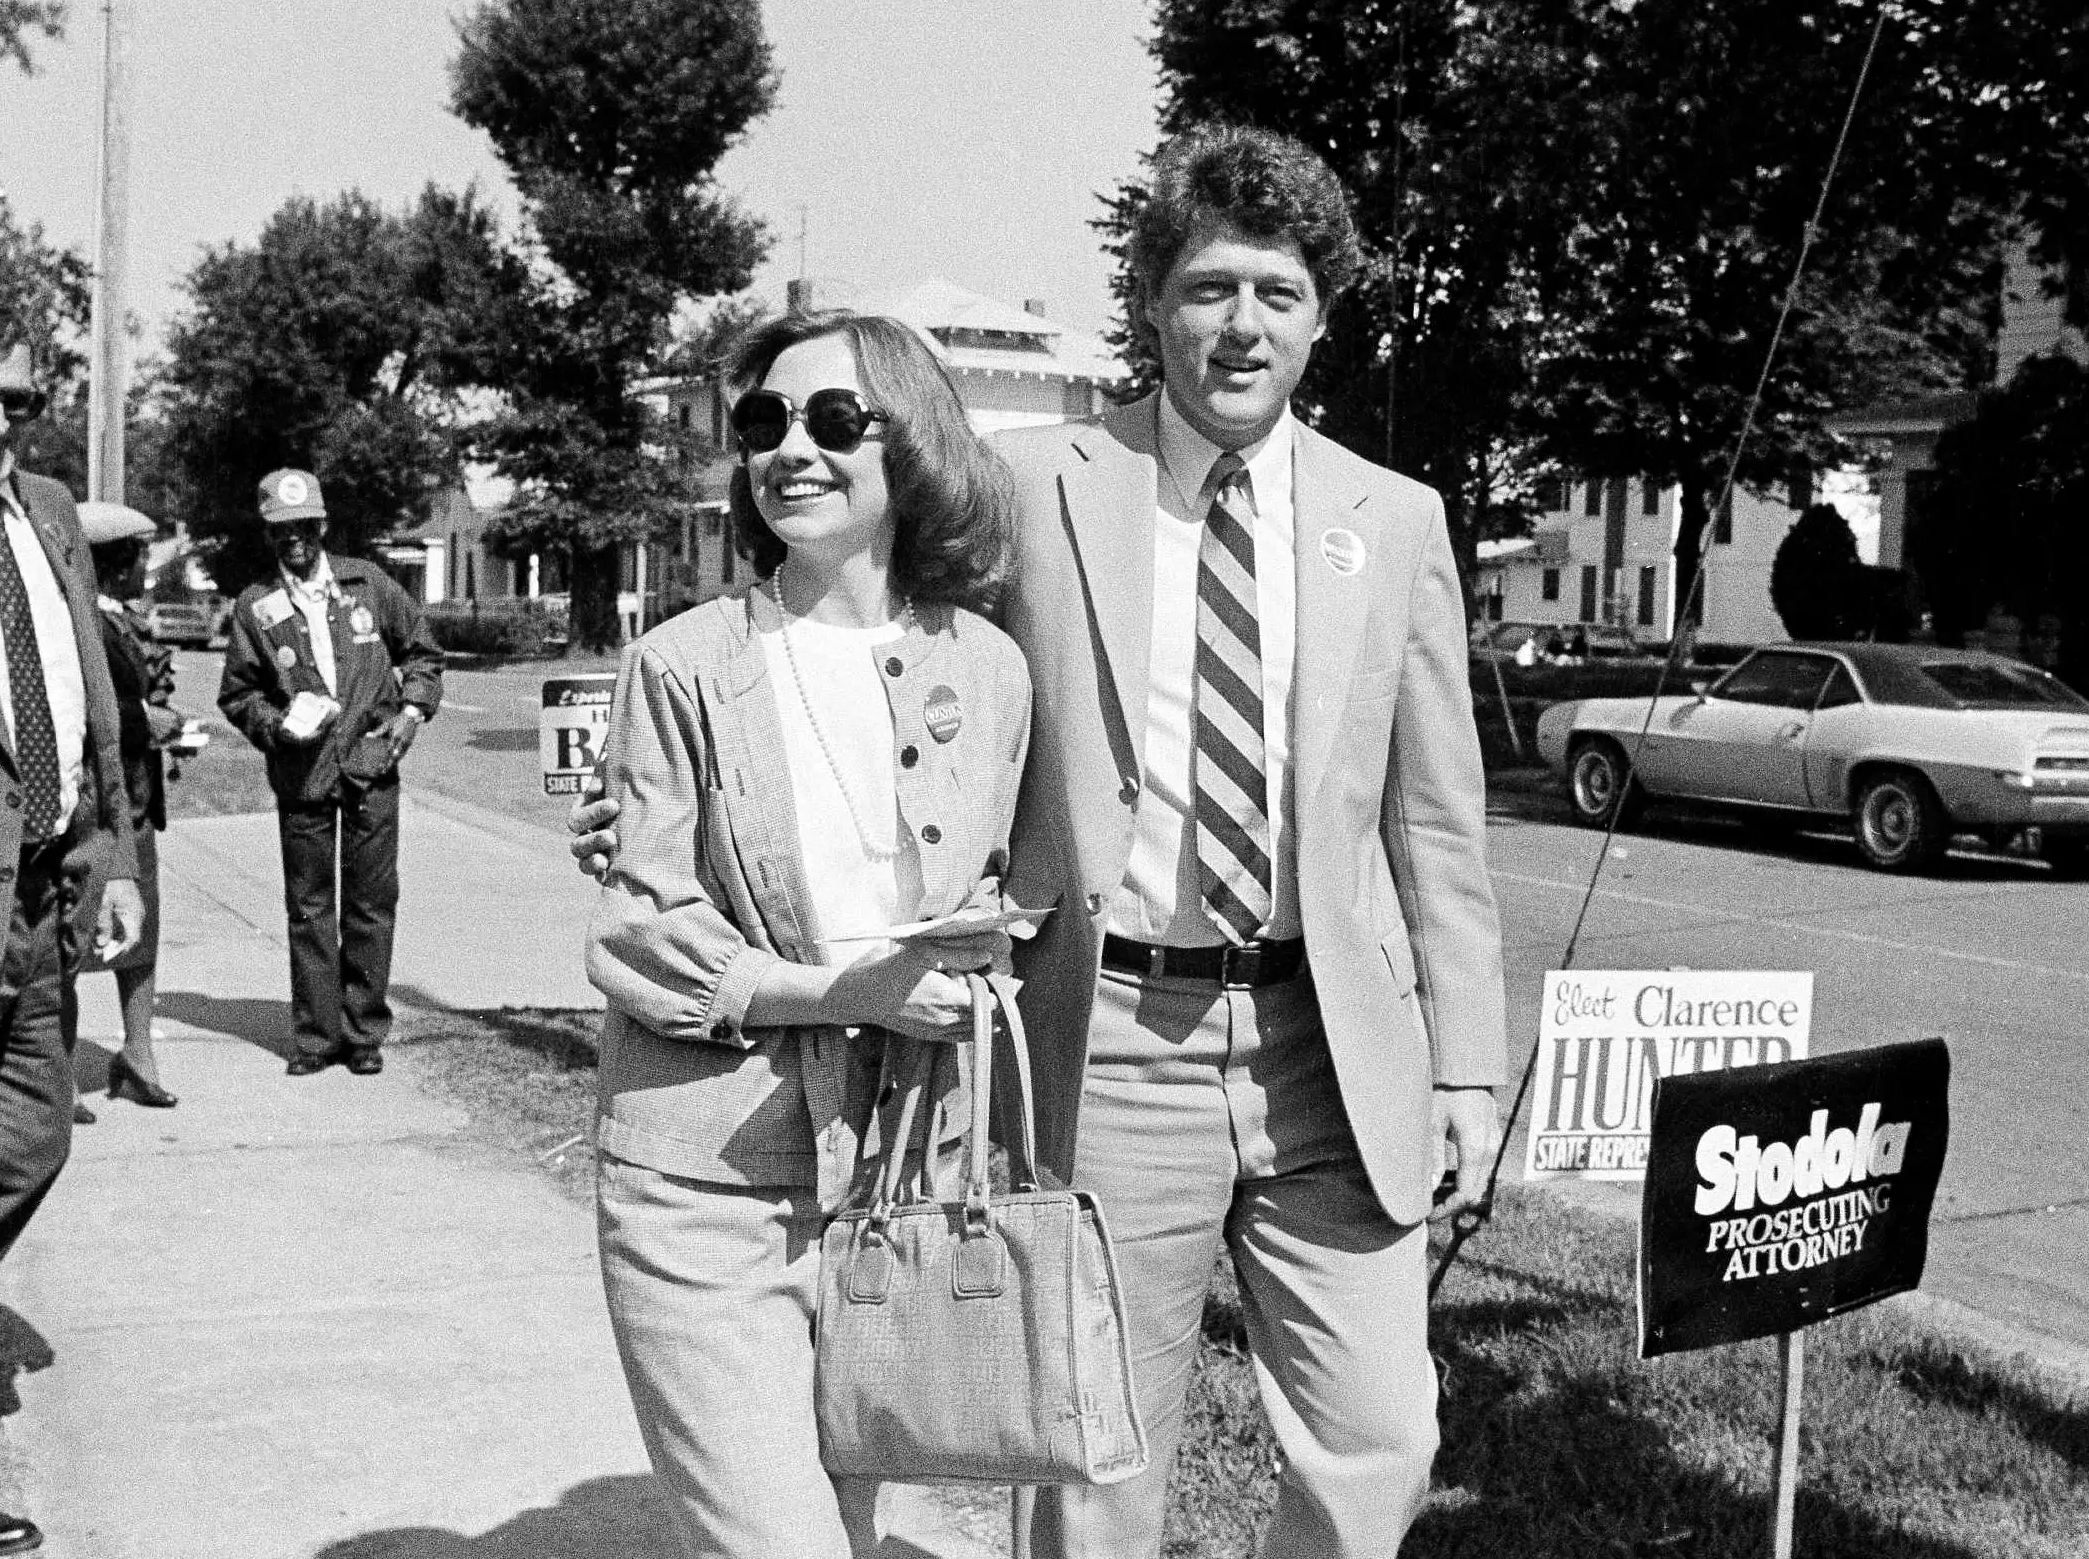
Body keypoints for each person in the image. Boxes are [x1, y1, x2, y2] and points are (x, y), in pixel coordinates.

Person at [569, 125, 1509, 1559]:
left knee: (1383, 1434)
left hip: (1331, 1040)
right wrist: (684, 787)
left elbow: (1433, 820)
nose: (1237, 324)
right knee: (1089, 1455)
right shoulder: (1029, 483)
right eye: (1205, 286)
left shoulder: (1394, 522)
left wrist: (1464, 1061)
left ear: (1322, 313)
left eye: (1273, 290)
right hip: (1111, 1028)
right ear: (1152, 302)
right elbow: (885, 646)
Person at [585, 310, 1029, 1559]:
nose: (794, 448)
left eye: (836, 420)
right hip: (704, 1173)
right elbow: (642, 936)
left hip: (898, 1179)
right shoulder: (682, 665)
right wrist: (854, 990)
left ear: (914, 446)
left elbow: (1006, 887)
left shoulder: (987, 668)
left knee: (839, 1521)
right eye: (765, 422)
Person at [0, 290, 142, 1557]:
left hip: (44, 900)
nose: (0, 423)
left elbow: (85, 703)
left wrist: (111, 848)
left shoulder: (51, 515)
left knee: (29, 1148)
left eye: (20, 398)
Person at [217, 469, 443, 1076]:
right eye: (281, 530)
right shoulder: (255, 607)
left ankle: (363, 1030)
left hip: (371, 764)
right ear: (269, 535)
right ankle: (316, 1037)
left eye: (303, 526)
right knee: (309, 907)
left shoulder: (367, 584)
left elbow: (421, 651)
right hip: (303, 773)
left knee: (370, 902)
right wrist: (276, 725)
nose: (294, 539)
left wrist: (413, 713)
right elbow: (238, 695)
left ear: (322, 525)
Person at [76, 499, 186, 1109]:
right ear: (113, 561)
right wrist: (151, 719)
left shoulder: (117, 619)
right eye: (139, 554)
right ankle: (59, 1072)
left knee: (141, 933)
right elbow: (88, 712)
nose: (146, 566)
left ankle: (137, 1053)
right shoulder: (76, 621)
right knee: (76, 934)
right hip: (90, 804)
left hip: (135, 801)